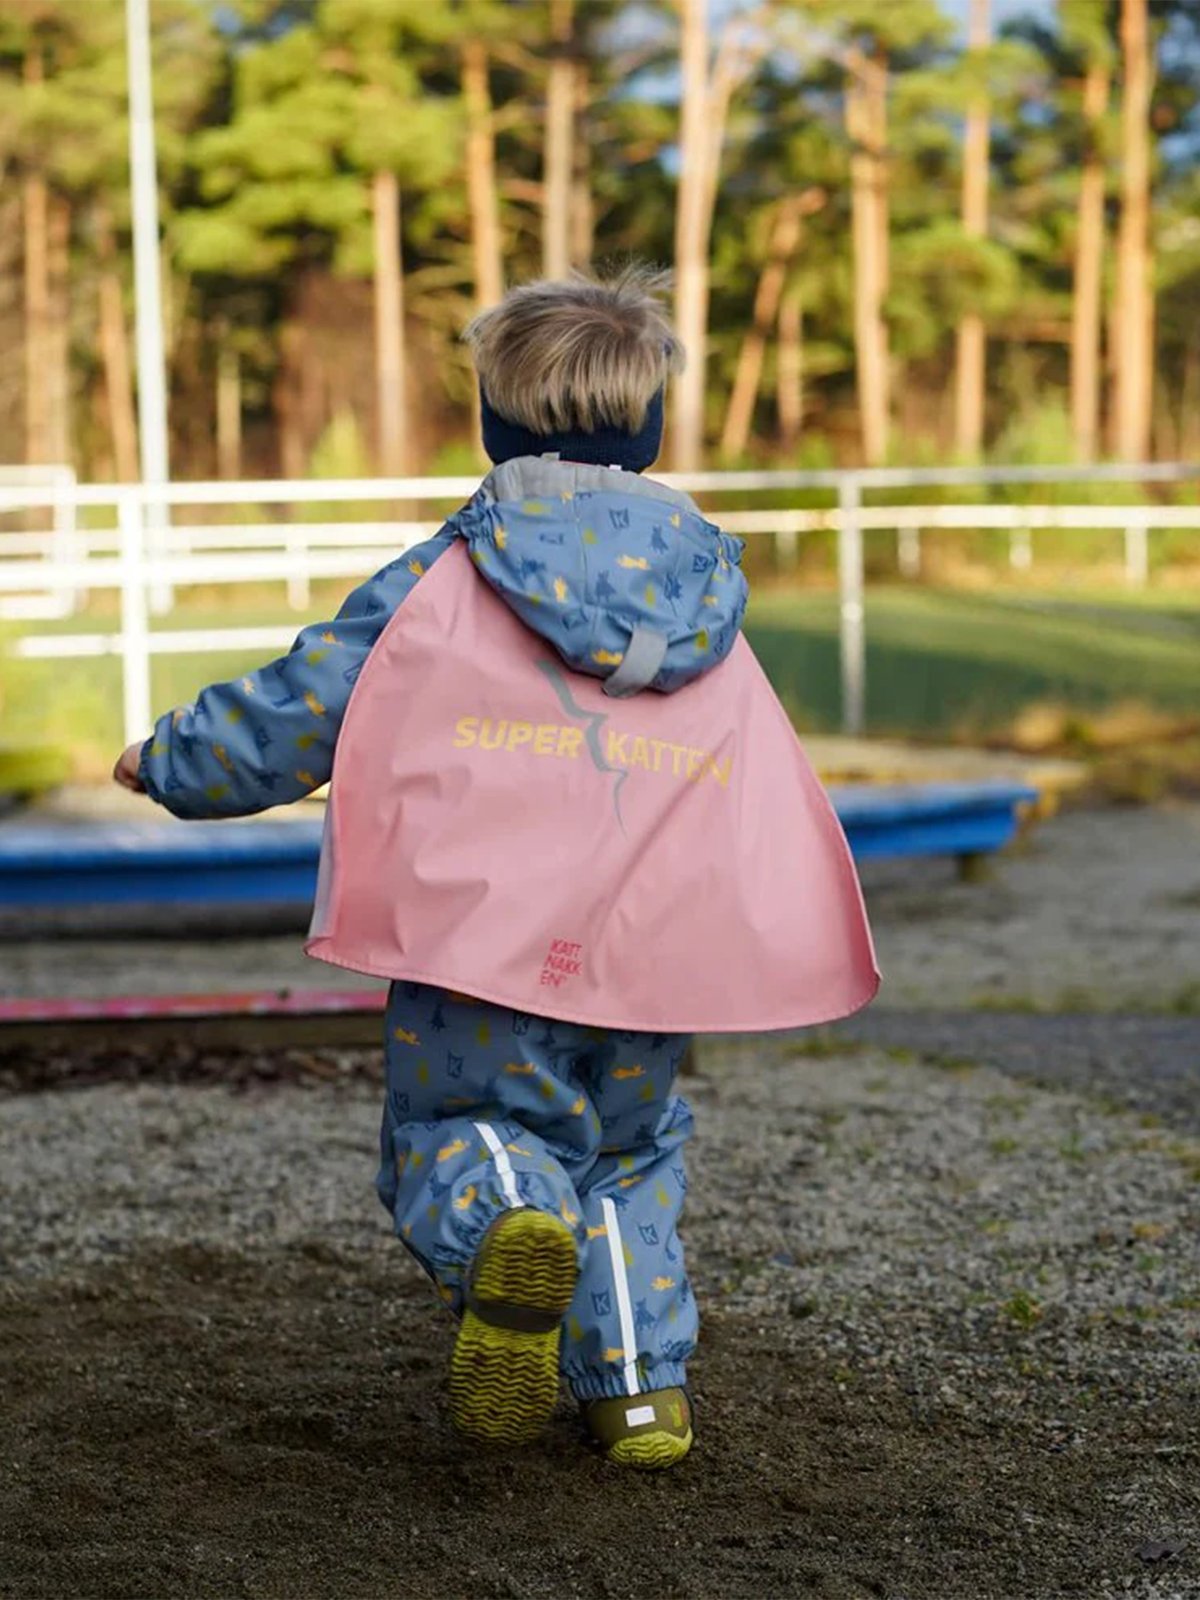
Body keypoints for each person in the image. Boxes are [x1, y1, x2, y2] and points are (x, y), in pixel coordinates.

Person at [114, 266, 878, 1470]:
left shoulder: (452, 571)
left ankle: (502, 1215)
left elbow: (305, 702)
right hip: (653, 944)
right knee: (631, 1153)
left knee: (463, 1115)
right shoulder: (700, 594)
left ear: (492, 418)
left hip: (478, 938)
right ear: (652, 423)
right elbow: (750, 764)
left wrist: (171, 760)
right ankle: (636, 1391)